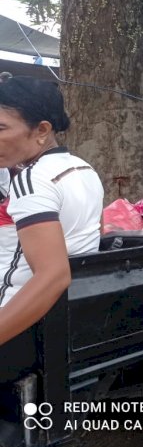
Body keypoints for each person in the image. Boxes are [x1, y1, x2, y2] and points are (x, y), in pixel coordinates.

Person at [0, 76, 104, 347]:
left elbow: (53, 274)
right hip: (58, 314)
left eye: (1, 128)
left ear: (42, 130)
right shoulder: (83, 168)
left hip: (14, 317)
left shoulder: (31, 181)